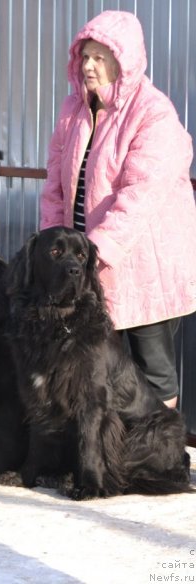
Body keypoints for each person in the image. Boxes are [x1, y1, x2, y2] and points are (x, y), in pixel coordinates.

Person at [40, 10, 196, 408]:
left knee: (151, 369)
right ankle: (107, 453)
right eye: (85, 57)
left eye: (100, 57)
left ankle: (161, 454)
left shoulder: (154, 113)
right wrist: (52, 245)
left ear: (123, 60)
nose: (89, 66)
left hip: (143, 265)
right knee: (97, 364)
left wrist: (97, 251)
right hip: (87, 265)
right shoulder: (74, 109)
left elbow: (141, 195)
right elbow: (55, 182)